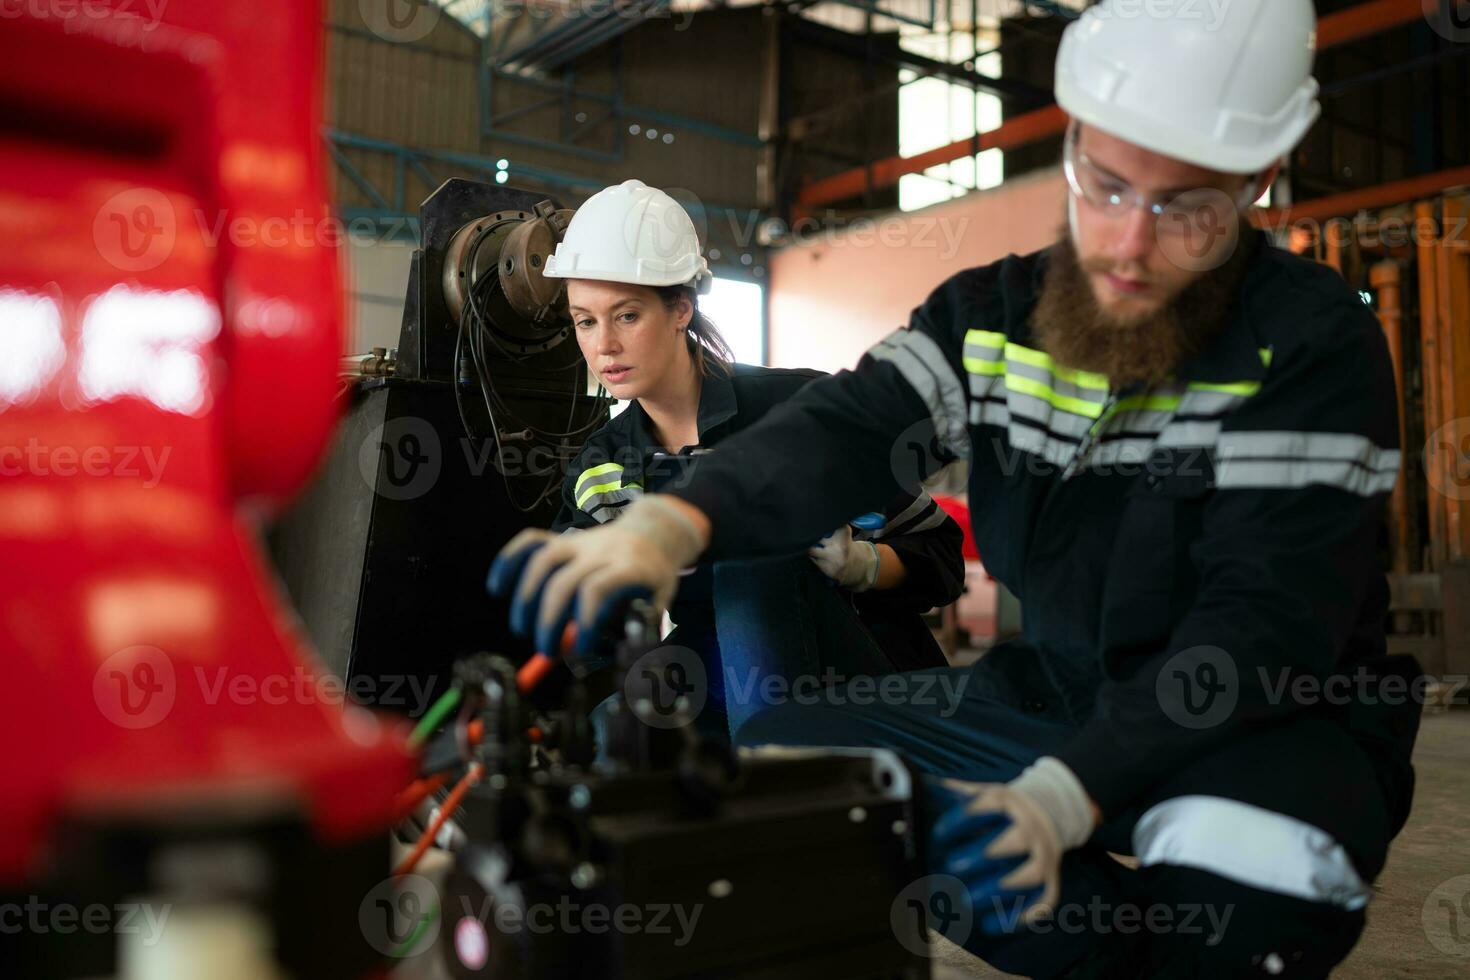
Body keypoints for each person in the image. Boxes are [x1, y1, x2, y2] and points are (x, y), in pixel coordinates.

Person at [491, 2, 1421, 975]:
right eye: (1105, 186)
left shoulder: (1311, 348)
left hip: (1264, 720)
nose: (1130, 244)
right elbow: (851, 422)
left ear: (1258, 182)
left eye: (1186, 207)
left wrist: (1067, 792)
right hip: (1060, 688)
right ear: (1073, 144)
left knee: (1257, 895)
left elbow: (1259, 625)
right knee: (791, 769)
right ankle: (1102, 938)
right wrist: (668, 525)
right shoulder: (994, 316)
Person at [534, 178, 964, 744]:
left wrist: (862, 564)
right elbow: (586, 640)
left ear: (681, 309)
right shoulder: (603, 470)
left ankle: (783, 791)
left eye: (627, 315)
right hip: (716, 676)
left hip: (859, 674)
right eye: (585, 321)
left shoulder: (797, 415)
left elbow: (939, 553)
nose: (604, 345)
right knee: (616, 730)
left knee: (749, 555)